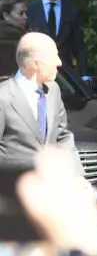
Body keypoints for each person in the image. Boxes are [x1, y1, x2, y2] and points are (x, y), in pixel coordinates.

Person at [0, 33, 79, 171]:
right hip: (11, 187)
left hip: (47, 187)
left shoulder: (53, 90)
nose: (59, 62)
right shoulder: (4, 96)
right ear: (36, 64)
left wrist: (77, 177)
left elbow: (62, 136)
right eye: (54, 56)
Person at [26, 0, 88, 79]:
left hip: (65, 74)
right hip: (36, 73)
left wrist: (85, 75)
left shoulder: (72, 10)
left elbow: (79, 46)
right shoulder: (30, 10)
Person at [0, 0, 28, 78]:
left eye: (26, 13)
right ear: (6, 16)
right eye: (20, 13)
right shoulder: (18, 38)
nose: (25, 17)